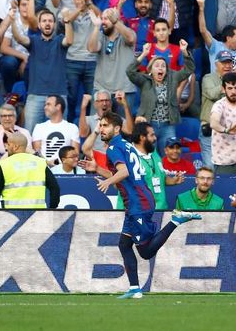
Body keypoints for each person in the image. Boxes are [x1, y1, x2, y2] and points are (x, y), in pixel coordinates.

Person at [79, 111, 202, 299]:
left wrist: (108, 182)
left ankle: (176, 220)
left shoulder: (113, 148)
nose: (101, 129)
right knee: (124, 244)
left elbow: (124, 172)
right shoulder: (126, 146)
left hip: (138, 203)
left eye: (105, 126)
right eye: (100, 126)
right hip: (139, 200)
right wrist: (97, 168)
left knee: (145, 252)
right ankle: (135, 288)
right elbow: (127, 174)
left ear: (117, 128)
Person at [10, 8, 73, 131]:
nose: (47, 23)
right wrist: (12, 22)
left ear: (54, 24)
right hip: (35, 95)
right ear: (39, 25)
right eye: (44, 21)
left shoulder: (59, 40)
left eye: (50, 21)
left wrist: (67, 21)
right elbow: (19, 39)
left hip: (58, 95)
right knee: (32, 134)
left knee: (60, 133)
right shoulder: (33, 40)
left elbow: (69, 40)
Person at [128, 39, 194, 155]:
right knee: (149, 156)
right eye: (157, 66)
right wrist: (143, 54)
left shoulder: (173, 78)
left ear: (166, 70)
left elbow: (189, 69)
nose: (160, 68)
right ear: (150, 69)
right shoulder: (145, 81)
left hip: (167, 126)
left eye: (163, 66)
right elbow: (130, 72)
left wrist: (184, 52)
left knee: (168, 156)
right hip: (149, 125)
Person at [116, 122, 185, 210]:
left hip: (160, 211)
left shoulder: (154, 153)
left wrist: (173, 180)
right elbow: (117, 183)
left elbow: (157, 178)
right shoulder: (127, 158)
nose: (155, 138)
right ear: (142, 138)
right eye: (152, 135)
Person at [87, 7, 139, 118]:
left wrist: (116, 22)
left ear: (116, 20)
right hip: (101, 90)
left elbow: (131, 38)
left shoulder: (126, 35)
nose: (103, 22)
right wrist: (96, 27)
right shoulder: (101, 36)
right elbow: (92, 48)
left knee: (124, 128)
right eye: (102, 18)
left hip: (124, 90)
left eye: (107, 19)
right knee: (96, 125)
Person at [0, 132, 59, 208]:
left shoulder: (4, 164)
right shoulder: (40, 162)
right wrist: (52, 209)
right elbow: (55, 188)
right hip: (38, 215)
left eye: (8, 144)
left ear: (15, 147)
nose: (6, 148)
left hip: (12, 215)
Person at [79, 90, 134, 157]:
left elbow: (129, 130)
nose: (104, 104)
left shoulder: (117, 119)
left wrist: (125, 105)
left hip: (114, 157)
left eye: (107, 100)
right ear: (95, 104)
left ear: (111, 103)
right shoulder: (89, 119)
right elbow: (83, 134)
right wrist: (83, 107)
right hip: (95, 157)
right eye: (101, 101)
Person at [32, 95, 80, 166]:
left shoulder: (72, 127)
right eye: (45, 105)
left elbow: (75, 153)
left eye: (48, 104)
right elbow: (36, 152)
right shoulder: (39, 127)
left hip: (65, 169)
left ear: (58, 106)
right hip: (43, 168)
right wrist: (47, 163)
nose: (45, 107)